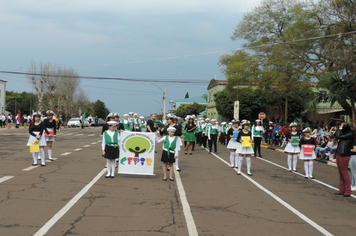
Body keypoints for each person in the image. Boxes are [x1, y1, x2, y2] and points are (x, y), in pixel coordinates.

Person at [332, 122, 354, 197]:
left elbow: (338, 136)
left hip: (345, 153)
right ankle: (341, 190)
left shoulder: (351, 133)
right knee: (341, 172)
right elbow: (333, 135)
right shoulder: (343, 133)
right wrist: (339, 129)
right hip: (339, 152)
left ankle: (347, 191)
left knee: (344, 172)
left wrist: (340, 129)